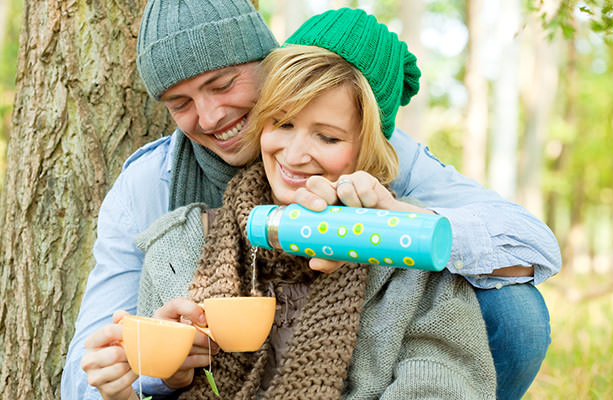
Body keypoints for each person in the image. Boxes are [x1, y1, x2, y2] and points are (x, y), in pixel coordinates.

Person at [61, 0, 561, 399]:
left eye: (223, 84)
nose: (210, 117)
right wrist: (159, 369)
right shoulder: (164, 214)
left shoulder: (384, 157)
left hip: (368, 346)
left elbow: (530, 247)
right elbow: (93, 373)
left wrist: (403, 225)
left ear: (268, 66)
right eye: (181, 103)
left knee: (515, 315)